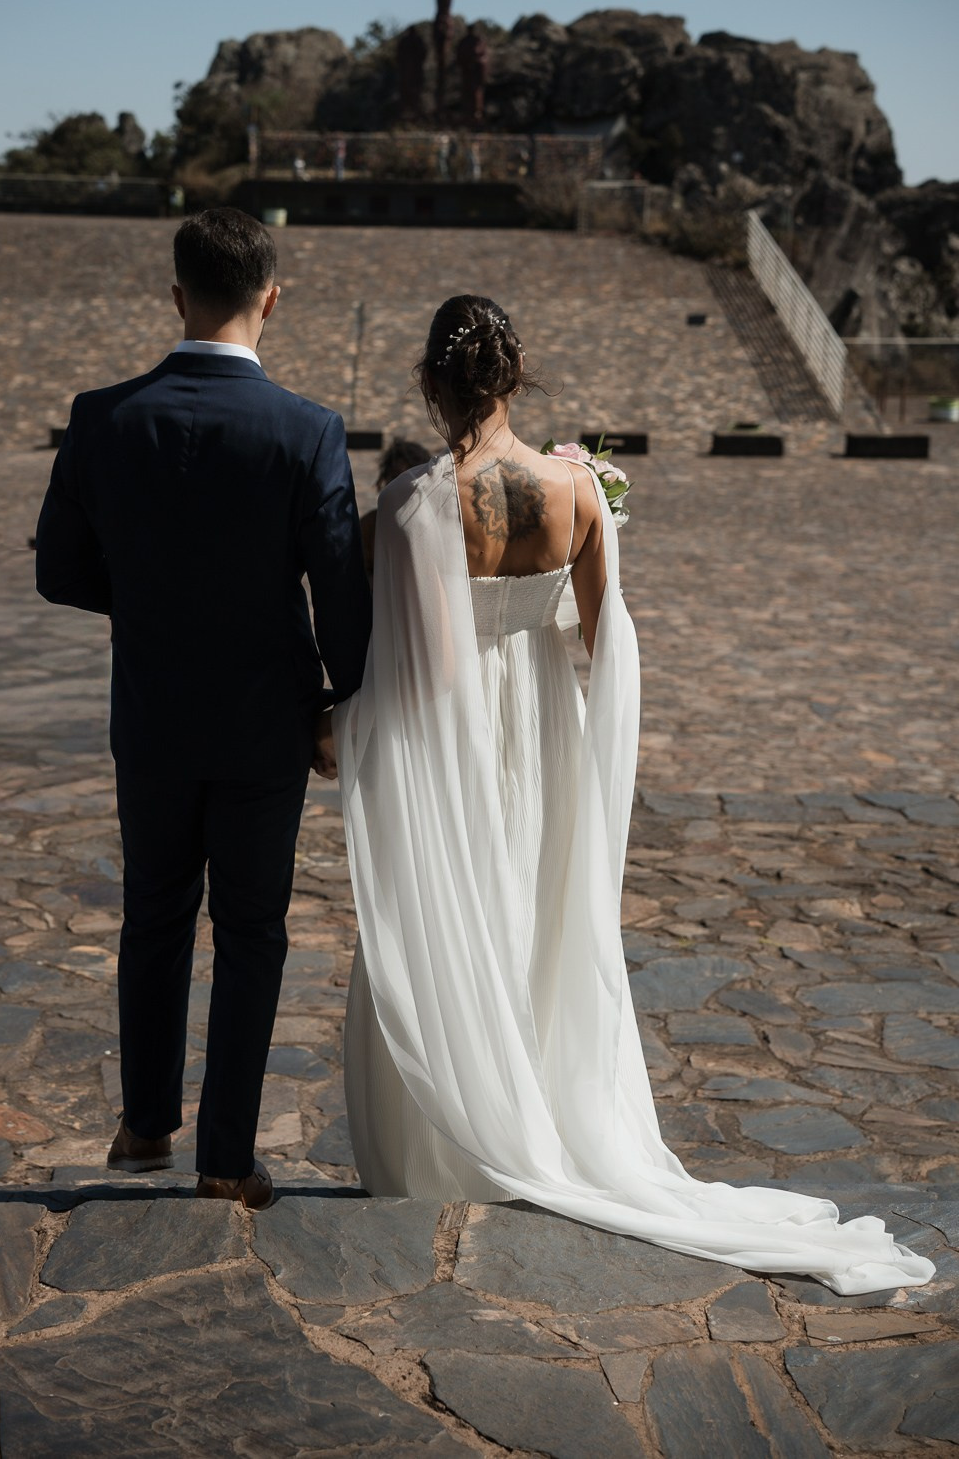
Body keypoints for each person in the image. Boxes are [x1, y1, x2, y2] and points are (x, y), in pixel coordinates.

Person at [332, 293, 934, 1296]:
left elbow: (427, 677)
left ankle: (468, 1137)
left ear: (432, 387)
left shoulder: (415, 505)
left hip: (464, 740)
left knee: (463, 916)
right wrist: (558, 689)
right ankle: (555, 1118)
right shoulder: (579, 491)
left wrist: (343, 727)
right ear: (515, 379)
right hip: (551, 734)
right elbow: (608, 643)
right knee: (542, 914)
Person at [35, 207, 371, 1206]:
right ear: (273, 299)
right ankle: (226, 1157)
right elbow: (339, 589)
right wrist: (340, 701)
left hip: (150, 716)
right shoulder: (307, 430)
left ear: (176, 295)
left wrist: (141, 601)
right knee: (253, 930)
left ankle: (143, 1126)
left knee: (154, 916)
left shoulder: (103, 415)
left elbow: (59, 572)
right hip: (267, 721)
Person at [358, 438, 430, 586]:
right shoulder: (371, 525)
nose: (402, 487)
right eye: (396, 479)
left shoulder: (432, 524)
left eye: (409, 481)